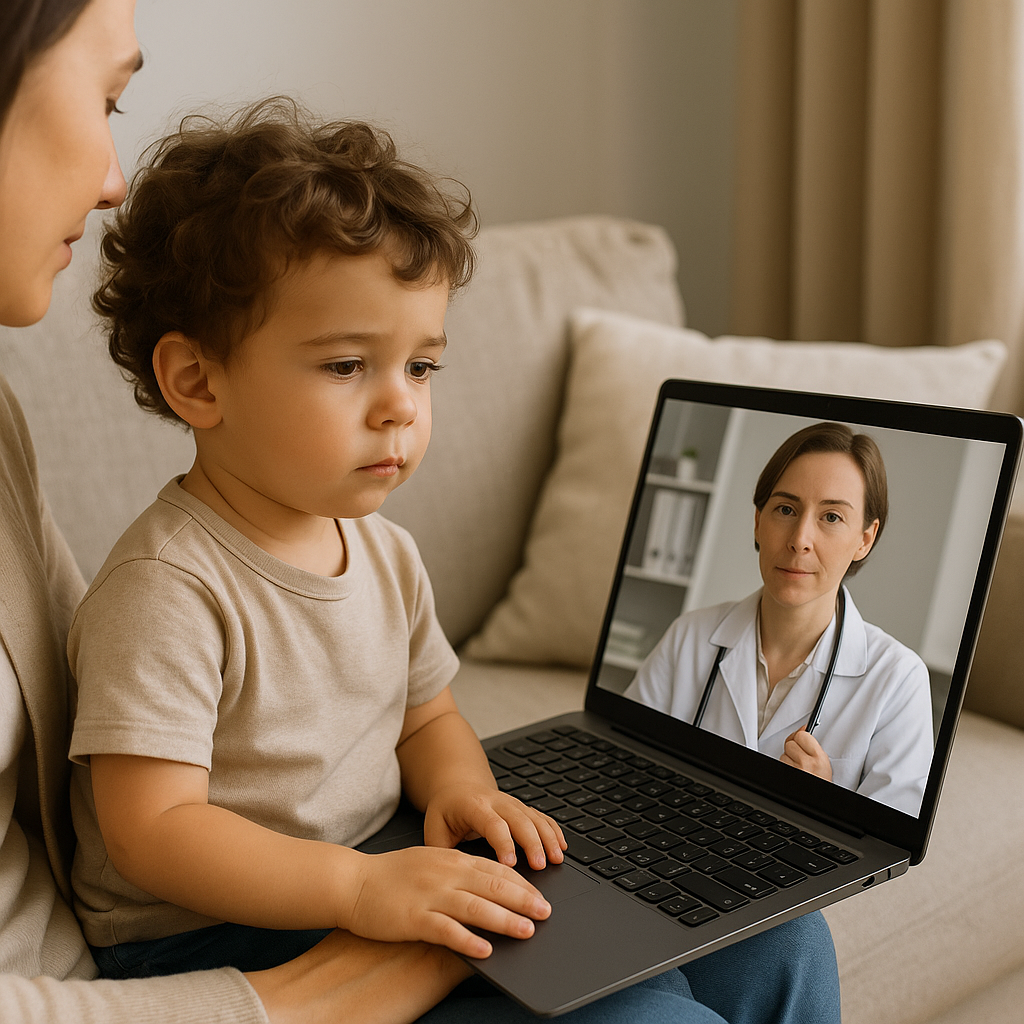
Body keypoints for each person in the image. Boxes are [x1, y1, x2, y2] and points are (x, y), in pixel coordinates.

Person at [0, 0, 841, 1020]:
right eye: (349, 364)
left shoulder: (384, 553)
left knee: (780, 943)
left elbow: (428, 711)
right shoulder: (166, 588)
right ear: (198, 383)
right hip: (214, 928)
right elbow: (152, 832)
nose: (401, 401)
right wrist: (360, 887)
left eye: (422, 364)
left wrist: (461, 790)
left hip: (372, 865)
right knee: (641, 1012)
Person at [626, 422, 934, 816]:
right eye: (785, 509)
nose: (800, 538)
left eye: (832, 517)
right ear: (758, 521)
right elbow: (622, 763)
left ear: (865, 539)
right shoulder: (690, 635)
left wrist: (826, 804)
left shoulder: (899, 679)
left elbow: (885, 854)